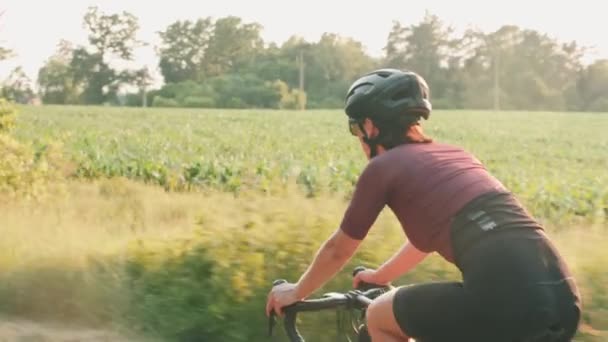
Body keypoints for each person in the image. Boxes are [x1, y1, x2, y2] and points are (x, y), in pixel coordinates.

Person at [265, 68, 581, 341]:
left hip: (504, 298)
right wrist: (380, 275)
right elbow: (424, 241)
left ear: (371, 128)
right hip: (563, 300)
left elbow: (339, 249)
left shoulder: (383, 167)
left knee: (377, 316)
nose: (357, 137)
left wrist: (296, 292)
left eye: (355, 128)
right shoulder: (457, 156)